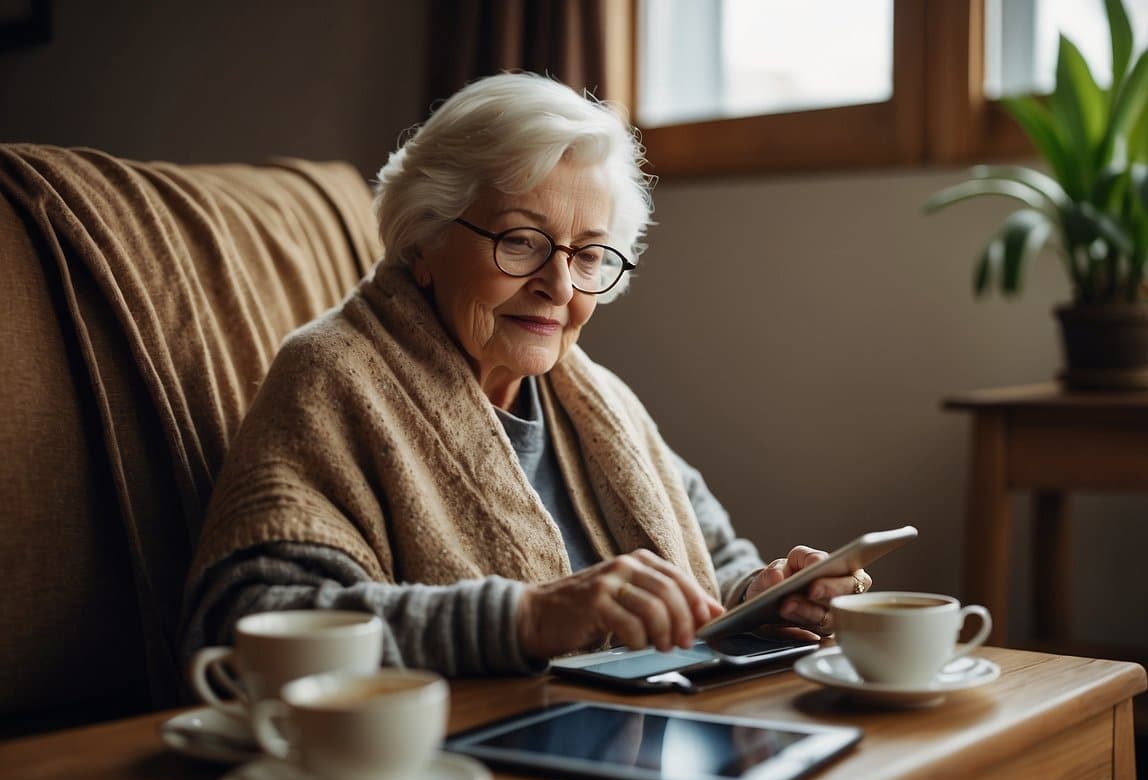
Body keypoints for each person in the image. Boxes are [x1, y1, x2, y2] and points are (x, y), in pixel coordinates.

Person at [182, 72, 872, 676]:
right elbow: (248, 624)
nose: (559, 286)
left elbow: (712, 567)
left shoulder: (597, 400)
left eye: (588, 255)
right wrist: (522, 619)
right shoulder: (331, 377)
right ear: (424, 239)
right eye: (520, 240)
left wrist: (768, 593)